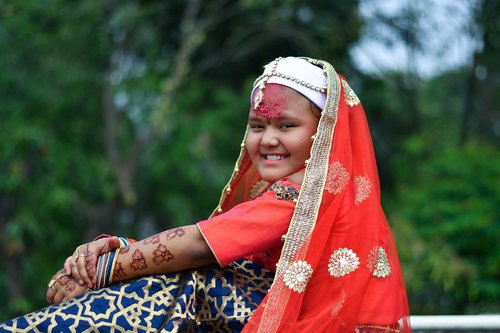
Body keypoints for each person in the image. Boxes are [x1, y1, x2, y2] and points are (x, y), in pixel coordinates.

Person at [0, 57, 411, 332]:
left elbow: (200, 245)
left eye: (285, 126)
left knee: (194, 279)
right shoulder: (304, 190)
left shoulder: (308, 193)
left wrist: (101, 270)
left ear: (323, 131)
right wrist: (119, 251)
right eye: (256, 126)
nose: (267, 139)